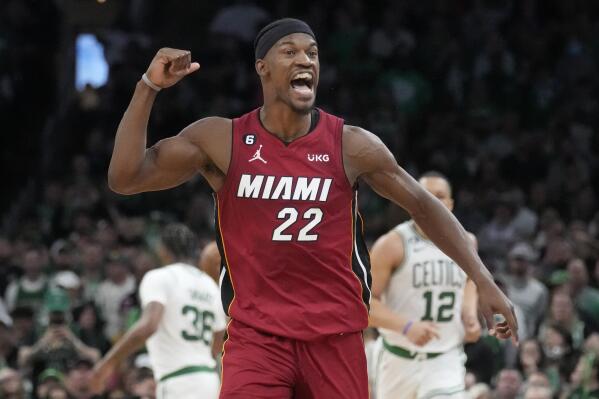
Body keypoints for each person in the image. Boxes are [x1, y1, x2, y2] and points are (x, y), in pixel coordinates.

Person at [105, 17, 518, 398]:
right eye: (290, 51)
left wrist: (482, 279)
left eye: (313, 53)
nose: (305, 59)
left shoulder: (351, 145)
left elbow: (424, 207)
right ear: (262, 67)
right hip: (257, 338)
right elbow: (125, 178)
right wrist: (148, 87)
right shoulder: (222, 140)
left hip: (334, 338)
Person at [368, 171, 481, 399]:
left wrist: (469, 313)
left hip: (445, 359)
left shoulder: (467, 242)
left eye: (439, 196)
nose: (433, 202)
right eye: (425, 195)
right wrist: (406, 326)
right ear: (412, 202)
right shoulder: (392, 245)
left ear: (450, 203)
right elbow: (364, 305)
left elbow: (471, 280)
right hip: (398, 359)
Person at [90, 224, 226, 399]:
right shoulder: (209, 285)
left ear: (163, 250)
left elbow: (149, 325)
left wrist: (106, 364)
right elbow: (218, 341)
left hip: (178, 381)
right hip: (209, 380)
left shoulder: (159, 277)